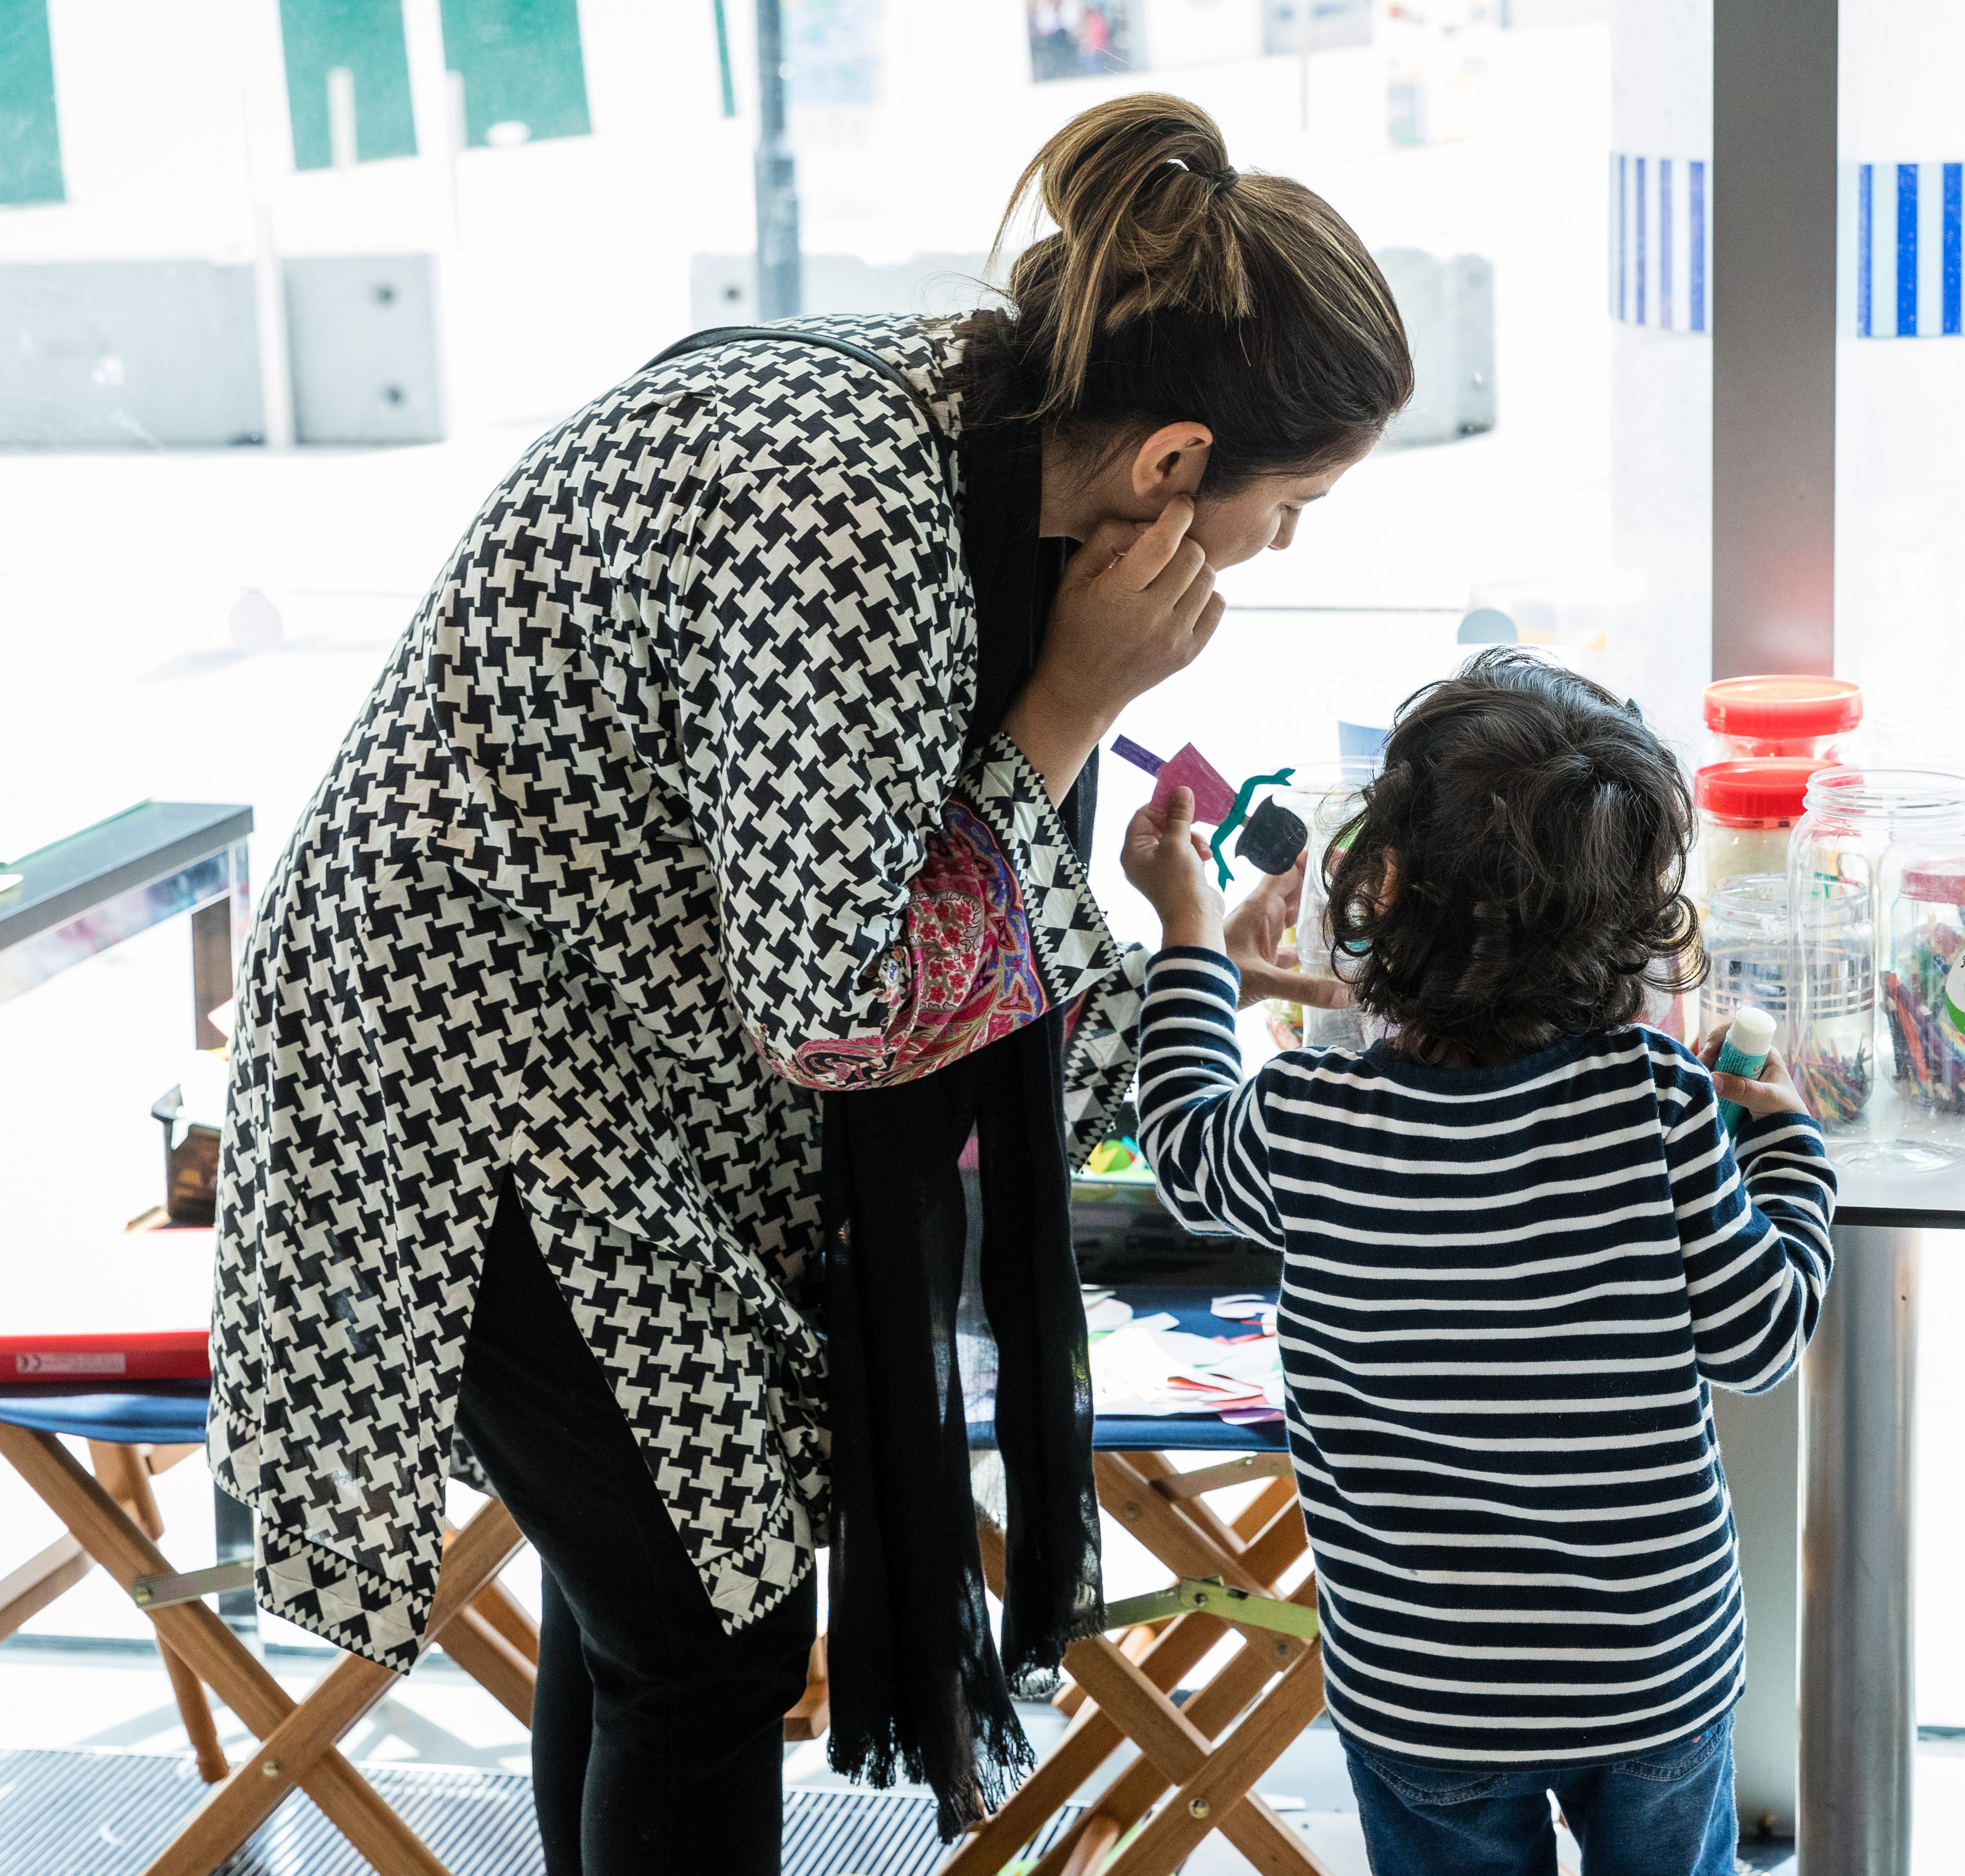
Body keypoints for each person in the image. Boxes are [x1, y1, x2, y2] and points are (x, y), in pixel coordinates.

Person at [210, 94, 1409, 1874]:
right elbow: (839, 1003)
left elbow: (881, 875)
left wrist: (1164, 962)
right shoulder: (851, 523)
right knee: (707, 1622)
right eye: (1288, 506)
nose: (1277, 552)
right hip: (467, 1076)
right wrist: (1079, 703)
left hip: (612, 1050)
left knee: (669, 1599)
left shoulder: (965, 423)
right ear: (1169, 466)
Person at [1120, 650, 1836, 1876]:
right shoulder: (1655, 1106)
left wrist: (1190, 933)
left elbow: (1182, 1143)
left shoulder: (1307, 1117)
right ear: (1633, 924)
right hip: (1647, 1673)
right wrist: (1789, 1154)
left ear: (1380, 884)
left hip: (1424, 1691)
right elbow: (1761, 1340)